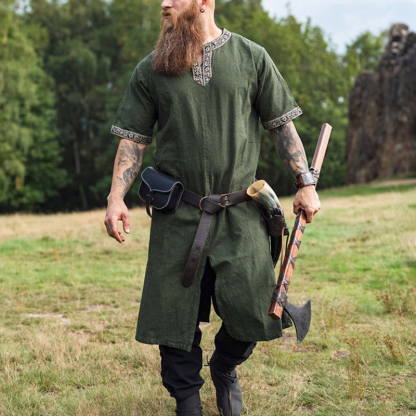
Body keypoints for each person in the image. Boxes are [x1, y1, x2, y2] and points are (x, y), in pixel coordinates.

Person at [104, 0, 321, 414]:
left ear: (204, 2)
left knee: (255, 309)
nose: (165, 4)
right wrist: (116, 197)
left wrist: (305, 183)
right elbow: (133, 139)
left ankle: (224, 365)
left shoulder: (251, 57)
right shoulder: (151, 69)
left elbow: (282, 126)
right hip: (177, 215)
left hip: (240, 213)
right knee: (174, 320)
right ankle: (187, 401)